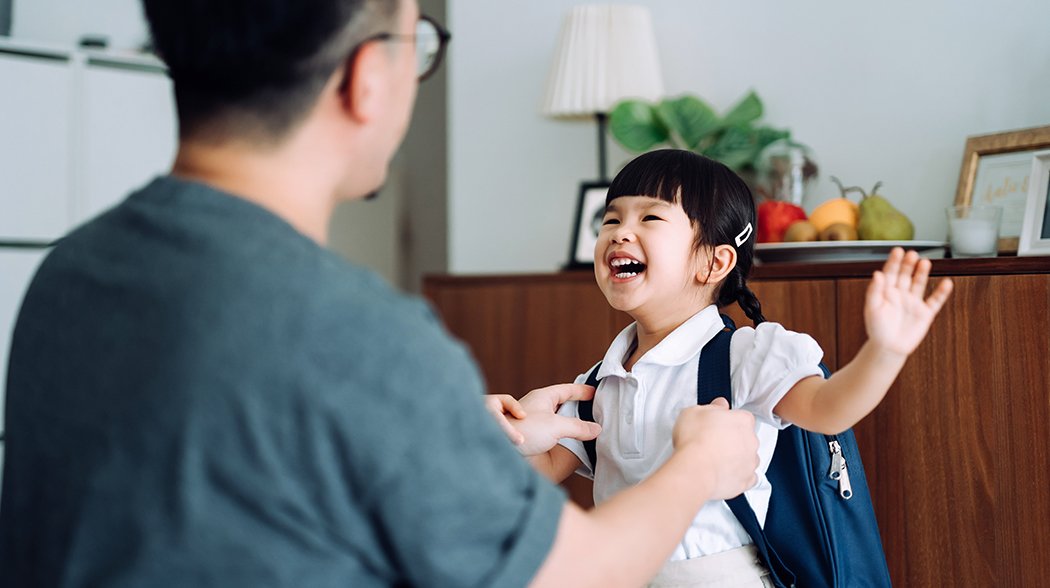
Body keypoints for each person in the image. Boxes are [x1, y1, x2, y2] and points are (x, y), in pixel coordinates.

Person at [0, 2, 763, 586]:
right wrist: (700, 463)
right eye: (417, 46)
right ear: (367, 76)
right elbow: (567, 572)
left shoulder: (72, 275)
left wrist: (441, 431)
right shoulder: (359, 336)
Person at [490, 149, 954, 587]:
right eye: (611, 218)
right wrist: (516, 436)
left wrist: (886, 351)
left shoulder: (744, 356)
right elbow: (545, 469)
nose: (619, 232)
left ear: (714, 262)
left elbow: (829, 410)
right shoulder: (598, 382)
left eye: (649, 217)